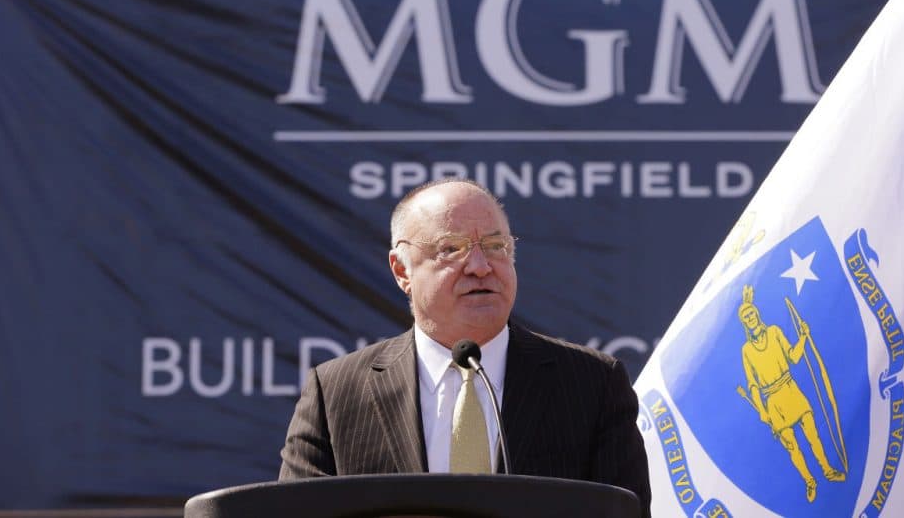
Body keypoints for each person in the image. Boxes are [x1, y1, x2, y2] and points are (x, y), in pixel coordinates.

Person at [279, 178, 651, 515]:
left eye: (495, 246)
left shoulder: (591, 384)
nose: (480, 266)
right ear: (401, 270)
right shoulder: (336, 392)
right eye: (452, 249)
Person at [738, 285, 845, 503]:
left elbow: (793, 357)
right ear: (744, 323)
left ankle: (827, 470)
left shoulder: (775, 331)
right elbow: (753, 385)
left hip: (790, 389)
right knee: (792, 446)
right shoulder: (746, 350)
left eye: (751, 313)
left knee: (812, 434)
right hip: (773, 400)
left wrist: (804, 337)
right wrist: (762, 410)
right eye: (745, 316)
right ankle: (809, 481)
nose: (750, 317)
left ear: (757, 314)